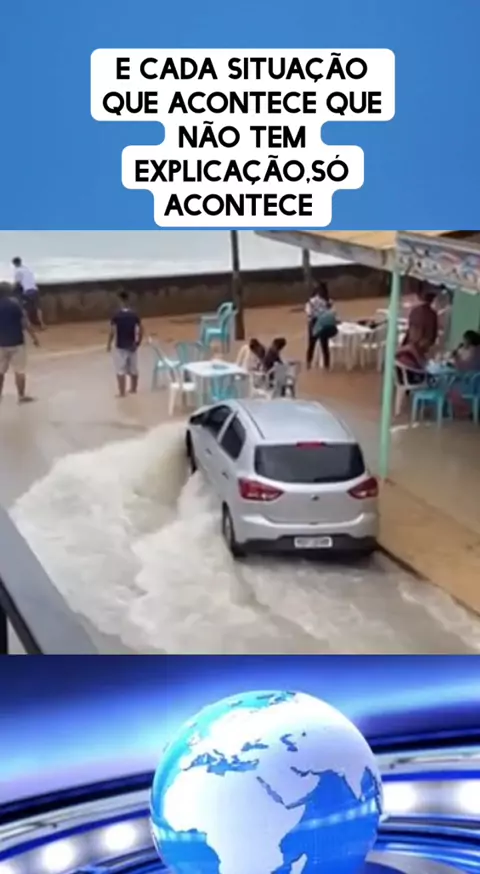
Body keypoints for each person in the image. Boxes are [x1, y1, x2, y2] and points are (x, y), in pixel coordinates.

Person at [0, 282, 39, 403]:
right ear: (8, 292)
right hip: (17, 342)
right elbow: (25, 323)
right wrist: (34, 338)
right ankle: (21, 396)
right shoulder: (15, 305)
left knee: (0, 371)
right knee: (19, 371)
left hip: (1, 343)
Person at [107, 292, 143, 397]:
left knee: (120, 370)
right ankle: (133, 389)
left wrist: (109, 344)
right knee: (133, 368)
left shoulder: (116, 316)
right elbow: (141, 329)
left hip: (120, 346)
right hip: (132, 346)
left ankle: (122, 393)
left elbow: (112, 332)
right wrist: (138, 343)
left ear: (120, 301)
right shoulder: (134, 315)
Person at [11, 257, 45, 330]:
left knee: (25, 308)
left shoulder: (17, 271)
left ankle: (29, 325)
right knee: (38, 307)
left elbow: (17, 283)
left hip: (26, 291)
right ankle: (42, 323)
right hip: (35, 289)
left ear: (14, 264)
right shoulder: (28, 269)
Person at [405, 289, 438, 355]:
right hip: (423, 345)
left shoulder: (415, 311)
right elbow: (433, 335)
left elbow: (410, 328)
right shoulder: (432, 314)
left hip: (414, 344)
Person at [305, 282, 330, 368]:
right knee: (323, 346)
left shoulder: (311, 301)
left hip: (316, 323)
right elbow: (328, 313)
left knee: (314, 345)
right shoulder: (325, 302)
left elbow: (309, 313)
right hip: (320, 322)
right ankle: (326, 365)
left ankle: (309, 364)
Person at [310, 302, 339, 370]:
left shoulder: (320, 313)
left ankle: (325, 364)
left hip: (323, 332)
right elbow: (336, 322)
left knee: (324, 348)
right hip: (332, 331)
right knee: (325, 348)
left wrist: (314, 334)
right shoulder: (333, 313)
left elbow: (315, 323)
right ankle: (326, 364)